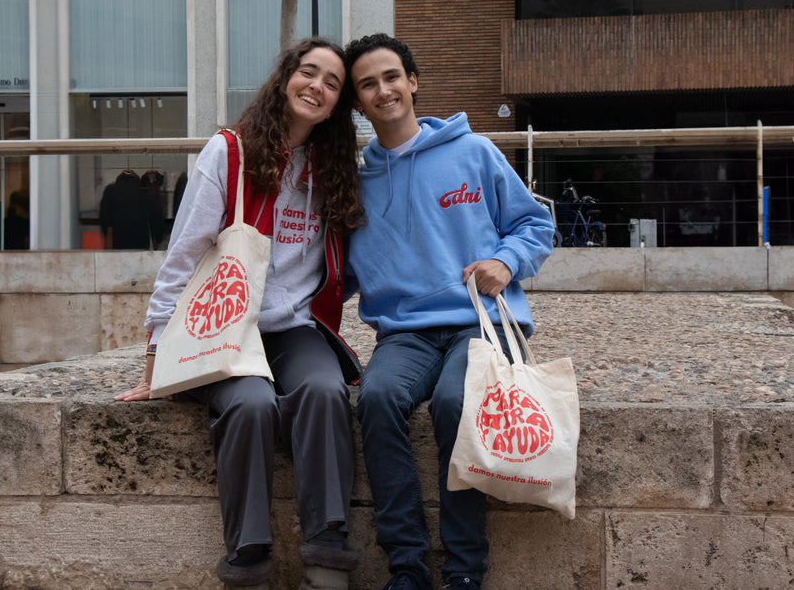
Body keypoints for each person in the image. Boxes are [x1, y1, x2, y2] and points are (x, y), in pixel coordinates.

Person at [115, 37, 365, 590]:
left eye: (332, 83)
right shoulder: (229, 152)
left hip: (295, 329)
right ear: (285, 78)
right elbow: (181, 256)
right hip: (226, 328)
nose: (317, 87)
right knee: (251, 406)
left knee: (326, 393)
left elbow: (349, 264)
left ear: (339, 103)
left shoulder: (337, 168)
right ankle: (249, 563)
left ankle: (327, 559)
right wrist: (157, 352)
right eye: (308, 72)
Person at [342, 33, 555, 590]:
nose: (383, 90)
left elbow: (535, 224)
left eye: (392, 77)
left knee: (457, 402)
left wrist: (506, 263)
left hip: (480, 321)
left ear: (412, 82)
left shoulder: (474, 152)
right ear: (358, 102)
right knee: (379, 399)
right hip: (405, 334)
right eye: (368, 84)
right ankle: (407, 565)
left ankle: (464, 570)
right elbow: (336, 270)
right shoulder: (356, 184)